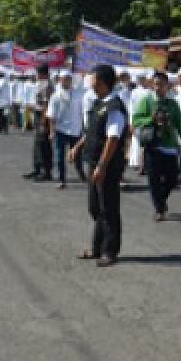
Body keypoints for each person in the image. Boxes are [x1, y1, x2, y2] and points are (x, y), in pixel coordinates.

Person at [71, 65, 127, 267]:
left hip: (107, 166)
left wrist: (102, 166)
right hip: (93, 162)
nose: (89, 81)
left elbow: (112, 139)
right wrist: (77, 147)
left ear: (102, 81)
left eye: (92, 78)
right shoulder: (98, 103)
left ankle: (109, 251)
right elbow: (91, 131)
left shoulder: (114, 107)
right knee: (95, 207)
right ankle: (97, 247)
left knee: (109, 208)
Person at [132, 71, 181, 220]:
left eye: (161, 85)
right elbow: (136, 121)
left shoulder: (173, 104)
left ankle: (161, 200)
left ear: (168, 86)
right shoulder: (146, 101)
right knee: (153, 179)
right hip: (152, 146)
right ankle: (159, 209)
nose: (158, 87)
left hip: (170, 147)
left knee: (172, 179)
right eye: (155, 84)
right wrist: (150, 119)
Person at [48, 71, 86, 188]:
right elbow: (51, 116)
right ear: (60, 80)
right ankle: (61, 179)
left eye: (68, 79)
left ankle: (81, 173)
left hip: (76, 129)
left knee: (78, 155)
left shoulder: (78, 94)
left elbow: (83, 111)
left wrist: (84, 127)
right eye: (64, 79)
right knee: (60, 156)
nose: (66, 81)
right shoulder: (55, 96)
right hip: (61, 130)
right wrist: (52, 131)